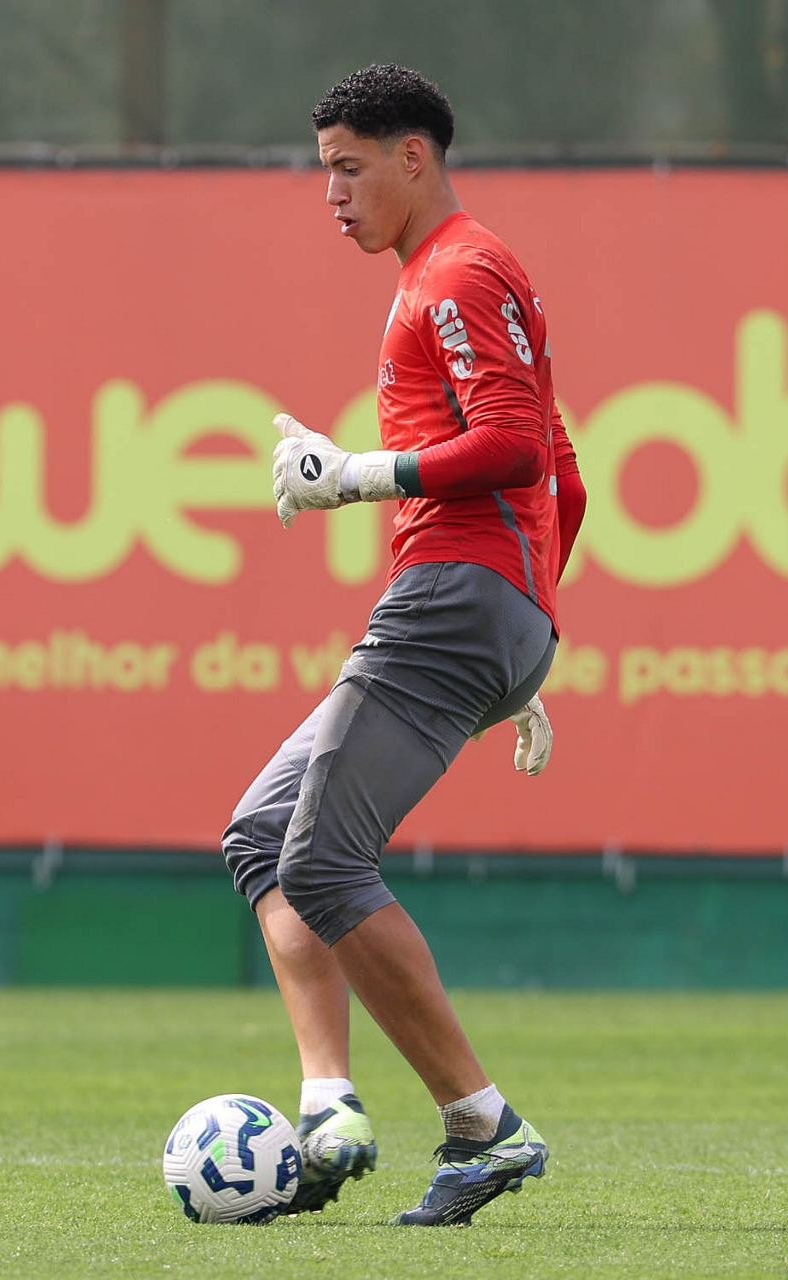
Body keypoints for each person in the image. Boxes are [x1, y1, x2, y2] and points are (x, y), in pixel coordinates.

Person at [222, 63, 586, 1228]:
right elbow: (565, 477)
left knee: (324, 861)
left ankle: (484, 1125)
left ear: (412, 156)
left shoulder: (459, 272)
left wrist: (354, 476)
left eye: (347, 167)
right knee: (264, 837)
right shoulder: (450, 272)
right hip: (483, 607)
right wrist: (524, 640)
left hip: (454, 597)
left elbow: (515, 449)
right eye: (323, 168)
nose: (329, 192)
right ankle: (329, 1107)